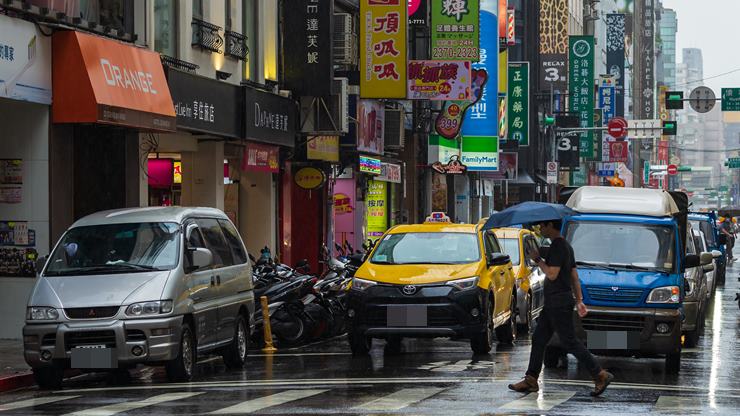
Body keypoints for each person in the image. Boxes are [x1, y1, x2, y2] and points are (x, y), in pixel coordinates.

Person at [509, 219, 614, 397]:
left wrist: (537, 259)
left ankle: (600, 374)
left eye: (542, 226)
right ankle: (531, 379)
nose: (540, 229)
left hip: (558, 303)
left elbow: (552, 274)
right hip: (554, 303)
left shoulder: (558, 246)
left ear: (550, 225)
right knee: (539, 338)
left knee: (569, 341)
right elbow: (574, 275)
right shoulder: (565, 246)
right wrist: (579, 300)